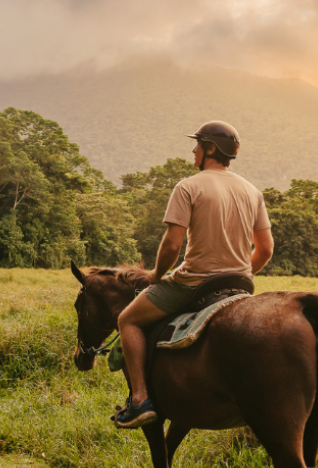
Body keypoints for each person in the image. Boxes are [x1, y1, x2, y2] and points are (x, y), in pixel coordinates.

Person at [113, 121, 273, 428]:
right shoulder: (253, 192)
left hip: (194, 282)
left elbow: (173, 244)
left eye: (198, 144)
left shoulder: (188, 186)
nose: (193, 149)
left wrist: (157, 275)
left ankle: (140, 400)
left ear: (210, 149)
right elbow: (265, 249)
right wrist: (238, 272)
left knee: (127, 320)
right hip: (240, 284)